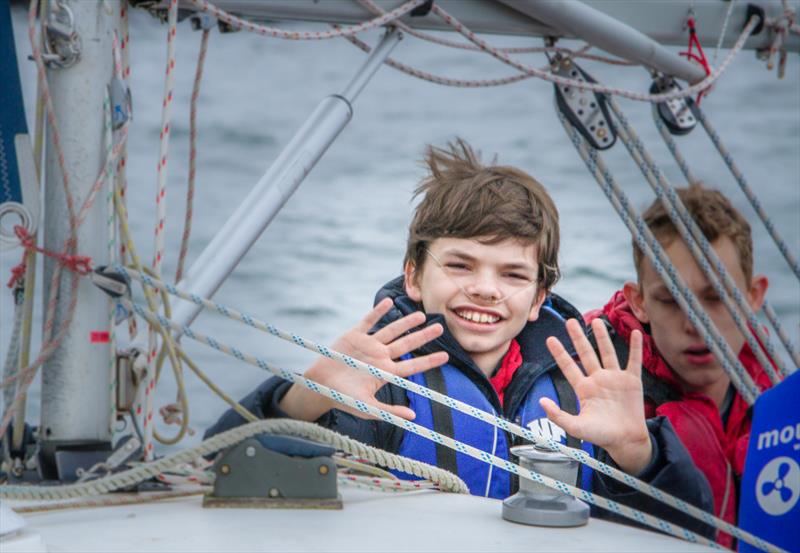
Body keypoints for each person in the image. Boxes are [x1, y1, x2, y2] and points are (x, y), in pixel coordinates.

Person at [207, 140, 712, 534]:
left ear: (539, 298)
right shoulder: (383, 382)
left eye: (513, 275)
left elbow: (691, 527)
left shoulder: (581, 390)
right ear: (413, 276)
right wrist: (306, 397)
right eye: (460, 265)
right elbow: (220, 471)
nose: (485, 290)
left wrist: (638, 455)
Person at [584, 185, 774, 547]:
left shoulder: (782, 395)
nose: (696, 323)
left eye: (716, 297)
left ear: (754, 297)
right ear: (638, 302)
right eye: (671, 300)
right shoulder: (592, 391)